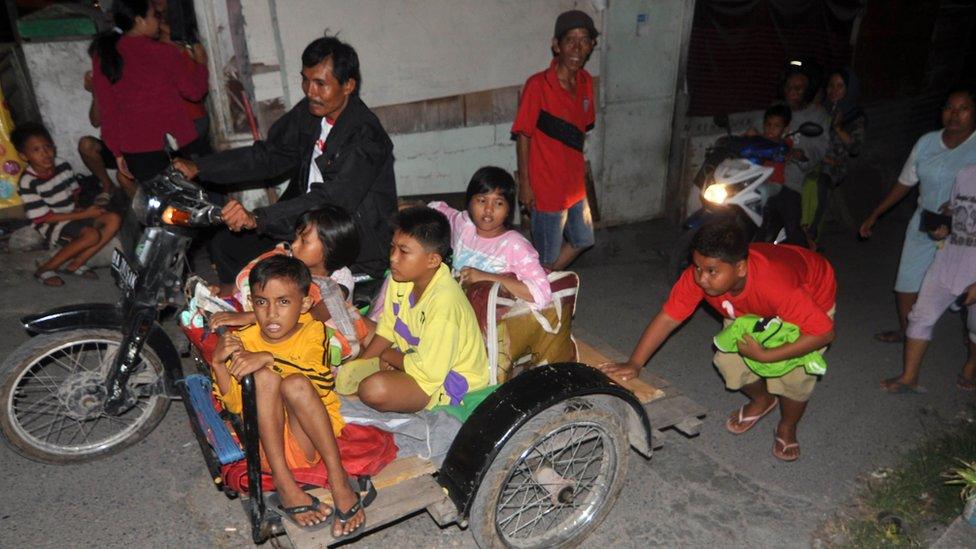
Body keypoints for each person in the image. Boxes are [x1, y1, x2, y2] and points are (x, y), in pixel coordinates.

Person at [173, 36, 396, 292]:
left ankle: (267, 315)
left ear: (348, 85)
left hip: (348, 241)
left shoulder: (366, 136)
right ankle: (237, 306)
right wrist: (200, 167)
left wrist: (260, 218)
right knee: (226, 245)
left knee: (276, 276)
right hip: (308, 227)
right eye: (306, 79)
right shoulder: (312, 112)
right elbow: (269, 155)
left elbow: (331, 200)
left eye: (320, 83)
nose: (310, 91)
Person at [599, 221, 836, 461]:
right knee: (727, 361)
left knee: (794, 377)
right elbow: (669, 318)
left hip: (808, 302)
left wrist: (765, 356)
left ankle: (787, 426)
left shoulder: (777, 286)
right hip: (753, 309)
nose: (702, 279)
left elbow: (823, 333)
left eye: (712, 271)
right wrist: (635, 363)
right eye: (697, 267)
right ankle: (763, 400)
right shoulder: (700, 276)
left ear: (740, 268)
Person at [210, 255, 368, 538]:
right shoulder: (244, 340)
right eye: (261, 302)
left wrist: (268, 356)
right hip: (270, 449)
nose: (271, 314)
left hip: (311, 438)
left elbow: (319, 381)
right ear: (251, 304)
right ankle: (284, 484)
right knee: (263, 378)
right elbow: (235, 404)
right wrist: (219, 364)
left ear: (304, 304)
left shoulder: (313, 331)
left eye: (283, 302)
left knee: (294, 384)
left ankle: (338, 478)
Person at [339, 207, 489, 413]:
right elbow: (389, 327)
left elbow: (429, 372)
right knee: (353, 323)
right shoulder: (400, 278)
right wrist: (359, 368)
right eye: (392, 248)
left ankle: (380, 387)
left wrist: (389, 356)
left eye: (404, 251)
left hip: (444, 382)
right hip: (412, 355)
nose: (393, 258)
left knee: (373, 389)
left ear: (433, 260)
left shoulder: (444, 303)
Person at [859, 88, 976, 343]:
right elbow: (905, 181)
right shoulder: (926, 143)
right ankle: (909, 332)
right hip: (926, 221)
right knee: (906, 284)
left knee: (967, 294)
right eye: (949, 108)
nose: (954, 114)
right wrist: (876, 213)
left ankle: (971, 359)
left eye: (963, 108)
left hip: (967, 232)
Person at [211, 205, 369, 359]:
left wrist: (250, 317)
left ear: (330, 250)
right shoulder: (288, 261)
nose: (294, 244)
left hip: (323, 338)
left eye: (304, 241)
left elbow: (313, 316)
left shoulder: (340, 280)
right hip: (278, 322)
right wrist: (219, 297)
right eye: (296, 238)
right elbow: (255, 283)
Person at [512, 10, 598, 270]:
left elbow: (581, 130)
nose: (576, 48)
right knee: (546, 257)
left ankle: (541, 283)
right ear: (556, 45)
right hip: (547, 189)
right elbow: (524, 135)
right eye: (570, 40)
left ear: (591, 46)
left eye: (584, 40)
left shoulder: (585, 82)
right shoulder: (538, 85)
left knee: (583, 239)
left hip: (575, 187)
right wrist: (525, 184)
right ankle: (540, 296)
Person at [881, 164, 976, 393]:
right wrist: (941, 227)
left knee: (975, 328)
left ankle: (971, 365)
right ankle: (909, 378)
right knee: (919, 317)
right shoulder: (965, 173)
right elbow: (951, 211)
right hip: (948, 260)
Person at [91, 0, 209, 182]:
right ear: (139, 20)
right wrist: (201, 65)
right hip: (178, 143)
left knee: (160, 205)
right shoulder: (164, 53)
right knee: (193, 202)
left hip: (137, 151)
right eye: (155, 15)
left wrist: (117, 152)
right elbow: (194, 92)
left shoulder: (104, 55)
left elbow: (108, 110)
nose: (158, 21)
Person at [12, 122, 122, 287]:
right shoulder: (28, 182)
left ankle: (76, 264)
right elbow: (46, 218)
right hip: (51, 225)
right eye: (36, 150)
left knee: (113, 219)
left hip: (73, 215)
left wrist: (79, 209)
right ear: (23, 156)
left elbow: (74, 192)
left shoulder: (62, 165)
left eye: (47, 147)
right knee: (92, 235)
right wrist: (85, 215)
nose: (45, 154)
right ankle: (46, 268)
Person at [429, 166, 551, 307]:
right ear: (469, 203)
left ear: (508, 211)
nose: (489, 209)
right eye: (482, 200)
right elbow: (437, 209)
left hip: (491, 320)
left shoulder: (514, 245)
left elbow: (542, 293)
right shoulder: (464, 224)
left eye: (498, 203)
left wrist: (485, 277)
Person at [762, 66, 830, 247]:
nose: (793, 92)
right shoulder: (777, 108)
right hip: (762, 175)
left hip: (791, 178)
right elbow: (758, 128)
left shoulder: (817, 115)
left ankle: (804, 261)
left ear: (808, 91)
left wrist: (802, 155)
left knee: (792, 227)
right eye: (789, 87)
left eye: (799, 88)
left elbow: (819, 148)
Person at [807, 68, 865, 245]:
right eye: (831, 85)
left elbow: (855, 148)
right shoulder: (820, 109)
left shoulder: (854, 115)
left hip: (835, 163)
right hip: (814, 158)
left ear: (848, 89)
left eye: (840, 86)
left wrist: (839, 128)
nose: (834, 90)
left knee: (820, 183)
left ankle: (812, 231)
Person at [78, 66, 137, 198]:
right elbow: (95, 121)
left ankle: (146, 211)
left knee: (123, 177)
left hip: (136, 149)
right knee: (86, 145)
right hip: (114, 147)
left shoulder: (133, 84)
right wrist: (96, 91)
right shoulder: (105, 86)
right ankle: (108, 186)